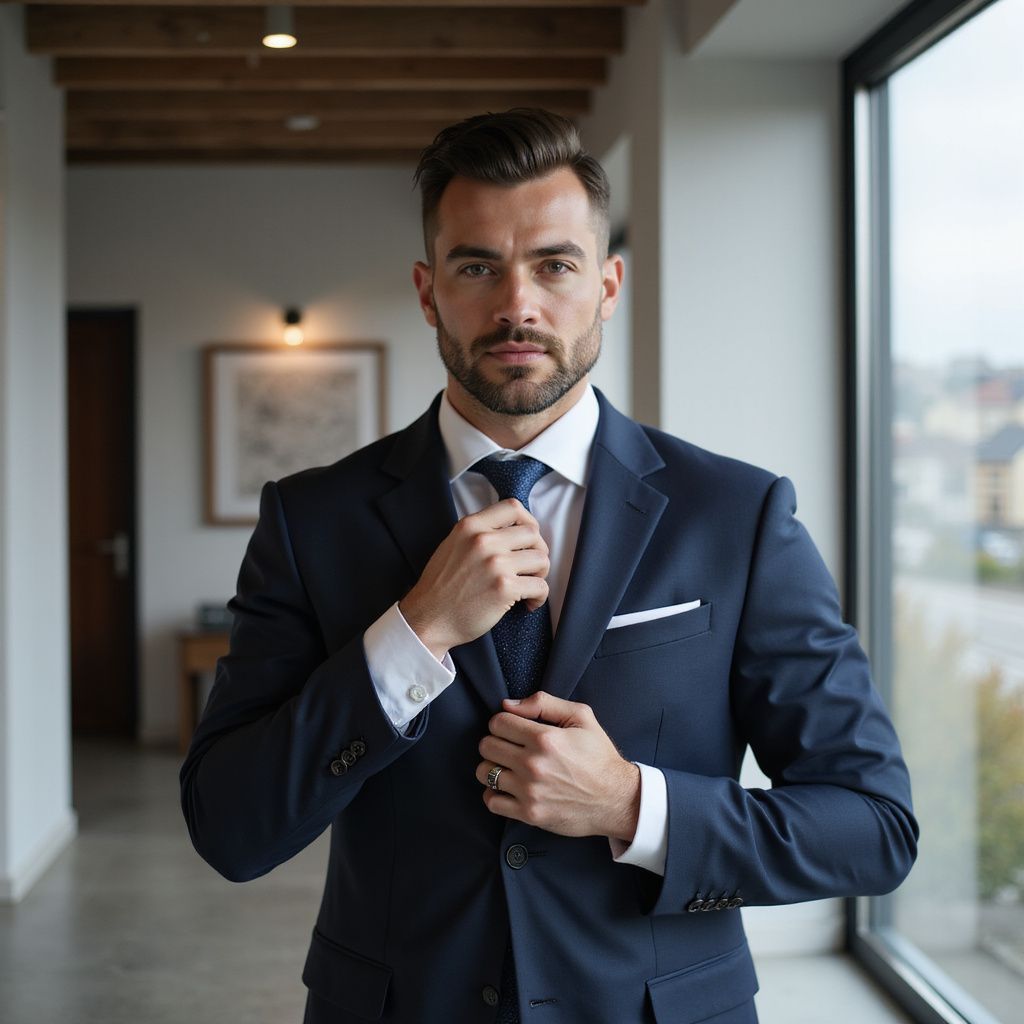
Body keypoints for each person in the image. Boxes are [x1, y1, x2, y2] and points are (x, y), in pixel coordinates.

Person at [180, 108, 917, 1024]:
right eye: (477, 266)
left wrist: (630, 806)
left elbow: (873, 829)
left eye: (555, 266)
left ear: (607, 285)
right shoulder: (310, 520)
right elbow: (229, 827)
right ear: (427, 289)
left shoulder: (737, 515)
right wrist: (412, 636)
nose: (516, 305)